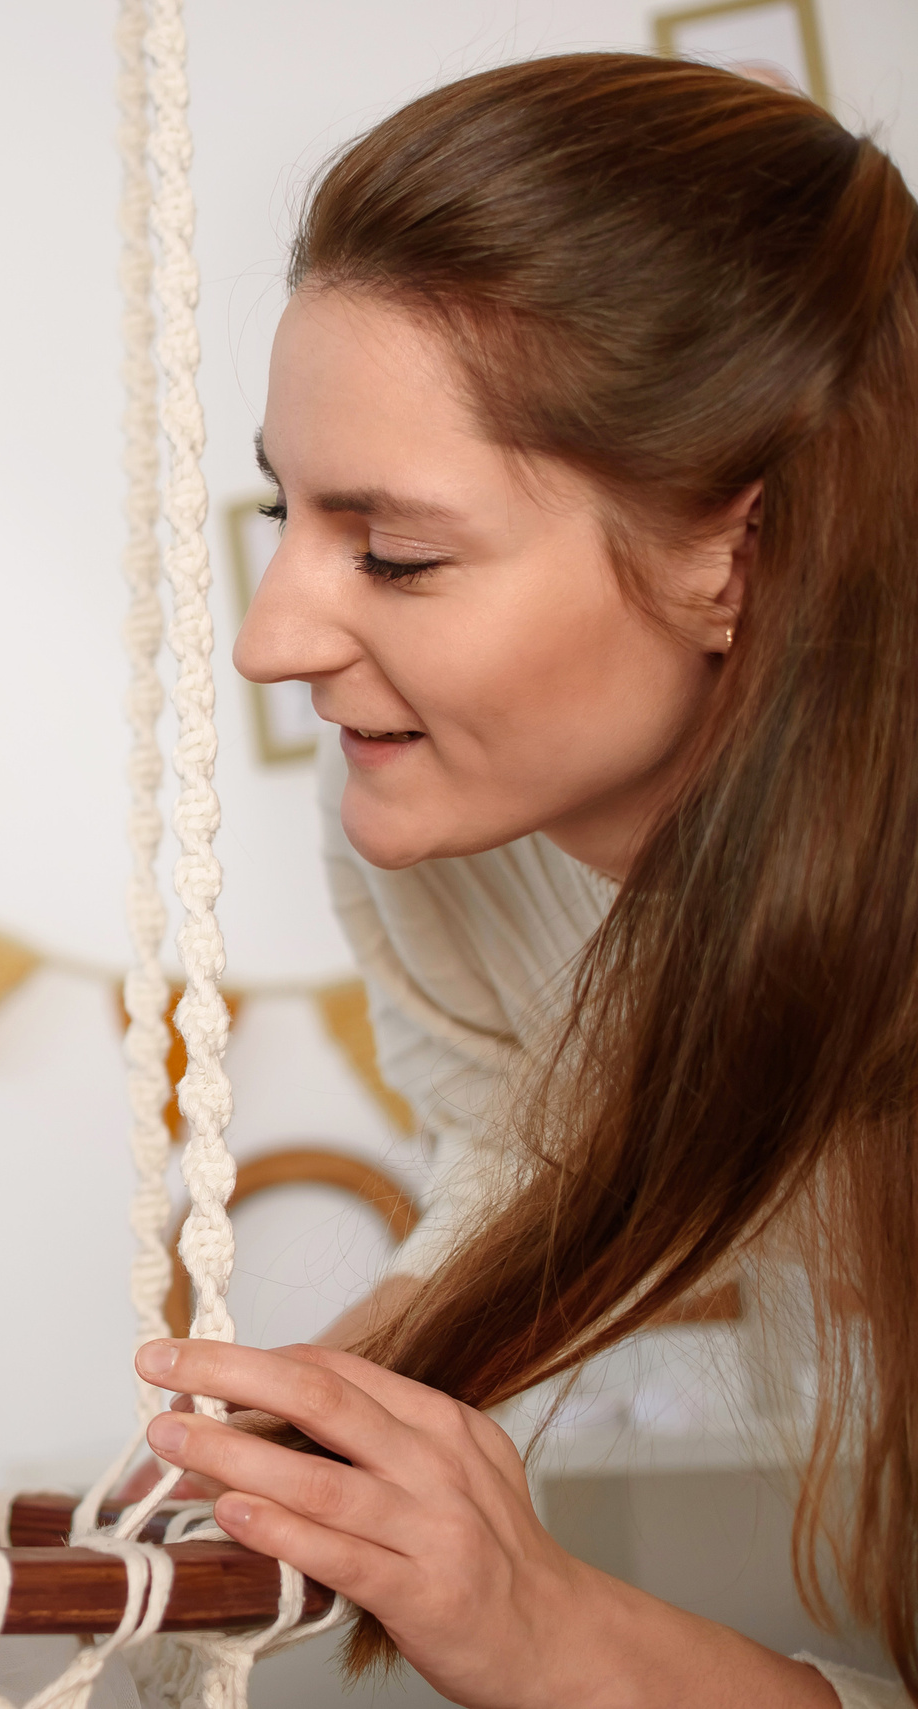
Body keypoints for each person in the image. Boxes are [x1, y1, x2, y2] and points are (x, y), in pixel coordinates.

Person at [131, 51, 918, 1709]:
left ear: (734, 554)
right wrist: (355, 1383)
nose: (273, 637)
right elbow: (538, 1115)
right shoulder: (453, 850)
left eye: (397, 549)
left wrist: (550, 1631)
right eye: (282, 510)